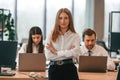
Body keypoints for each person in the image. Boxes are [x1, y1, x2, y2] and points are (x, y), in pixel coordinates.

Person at [45, 8, 80, 80]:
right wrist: (68, 52)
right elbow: (48, 56)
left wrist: (55, 52)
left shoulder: (75, 36)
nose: (63, 21)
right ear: (57, 20)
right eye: (60, 18)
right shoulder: (51, 34)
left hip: (70, 69)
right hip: (54, 69)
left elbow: (75, 53)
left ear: (70, 19)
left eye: (66, 18)